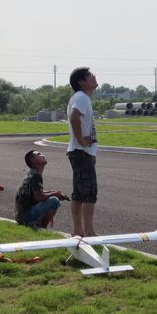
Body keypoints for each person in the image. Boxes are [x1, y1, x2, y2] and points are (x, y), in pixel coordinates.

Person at [66, 66, 99, 236]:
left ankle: (78, 232)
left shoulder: (81, 97)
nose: (93, 77)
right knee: (89, 192)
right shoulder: (81, 97)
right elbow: (74, 117)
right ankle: (89, 232)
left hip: (79, 152)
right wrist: (81, 140)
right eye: (89, 76)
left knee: (79, 193)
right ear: (81, 82)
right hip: (82, 152)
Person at [14, 150, 69, 228]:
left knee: (52, 197)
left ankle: (38, 223)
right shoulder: (36, 176)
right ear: (32, 160)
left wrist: (51, 192)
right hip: (25, 217)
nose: (43, 155)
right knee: (54, 200)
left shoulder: (32, 173)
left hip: (21, 216)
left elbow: (35, 194)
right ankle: (42, 227)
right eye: (39, 154)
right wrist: (55, 194)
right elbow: (39, 197)